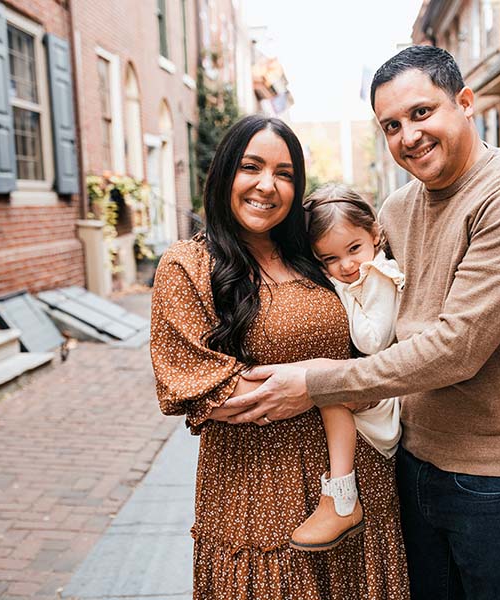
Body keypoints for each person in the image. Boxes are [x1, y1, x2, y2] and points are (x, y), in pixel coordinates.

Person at [224, 46, 500, 600]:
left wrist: (317, 383)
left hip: (493, 478)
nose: (408, 135)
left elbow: (457, 348)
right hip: (410, 459)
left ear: (464, 102)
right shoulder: (395, 210)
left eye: (421, 113)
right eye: (391, 125)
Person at [149, 114, 409, 599]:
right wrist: (325, 383)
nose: (267, 185)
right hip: (258, 491)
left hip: (359, 484)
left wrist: (329, 380)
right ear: (225, 172)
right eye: (252, 167)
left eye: (284, 174)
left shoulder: (316, 254)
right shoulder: (188, 266)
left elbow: (377, 342)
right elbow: (202, 387)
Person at [290, 183, 404, 552]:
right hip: (373, 382)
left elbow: (372, 339)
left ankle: (341, 496)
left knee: (328, 388)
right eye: (330, 260)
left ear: (374, 235)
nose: (346, 265)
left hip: (384, 395)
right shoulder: (359, 277)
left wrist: (338, 290)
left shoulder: (379, 277)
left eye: (354, 248)